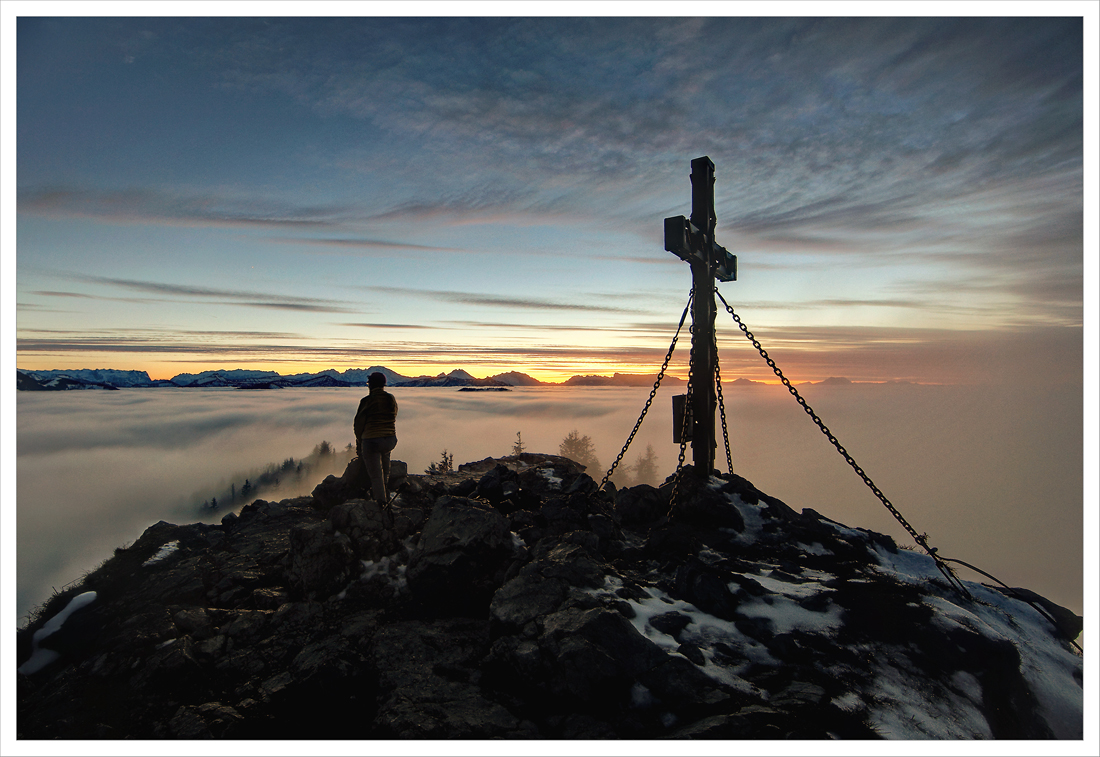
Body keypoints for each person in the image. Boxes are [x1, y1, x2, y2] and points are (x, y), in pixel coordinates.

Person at [353, 372, 399, 504]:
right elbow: (394, 415)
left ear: (371, 385)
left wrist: (360, 441)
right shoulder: (391, 398)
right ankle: (387, 498)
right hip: (390, 439)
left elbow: (358, 424)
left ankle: (380, 504)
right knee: (385, 470)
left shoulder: (367, 401)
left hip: (371, 440)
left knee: (376, 476)